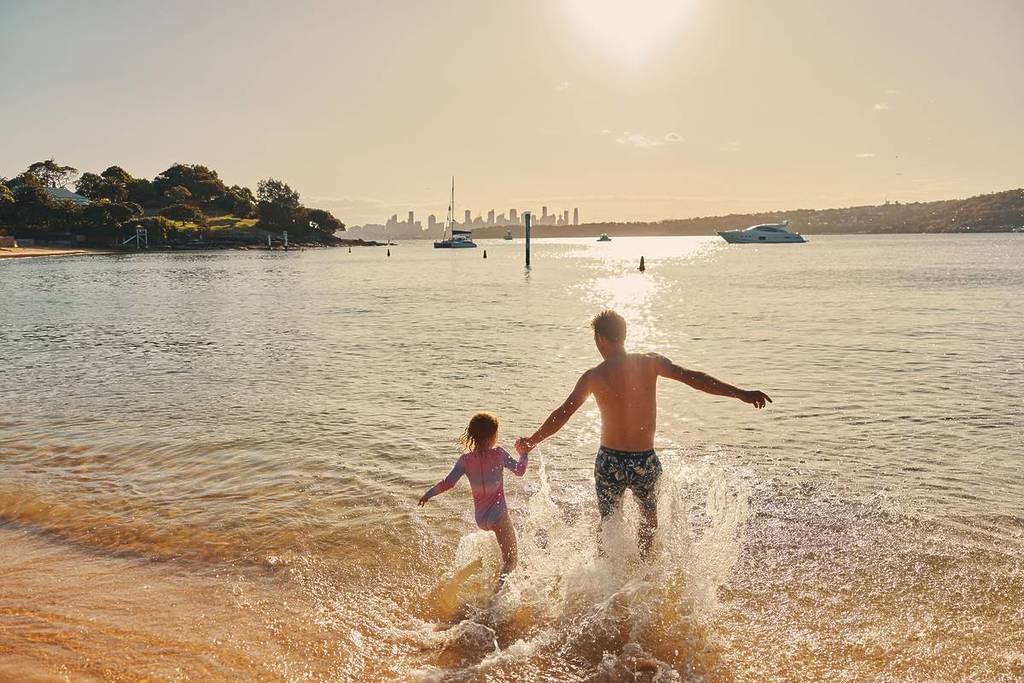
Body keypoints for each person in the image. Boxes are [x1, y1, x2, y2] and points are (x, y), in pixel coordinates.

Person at [515, 310, 771, 557]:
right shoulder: (649, 363)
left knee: (608, 523)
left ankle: (607, 583)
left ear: (601, 339)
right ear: (623, 335)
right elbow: (695, 379)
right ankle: (644, 576)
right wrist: (740, 393)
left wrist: (531, 442)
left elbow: (563, 414)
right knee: (649, 523)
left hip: (609, 461)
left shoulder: (594, 376)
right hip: (644, 461)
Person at [419, 412, 528, 583]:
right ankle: (496, 597)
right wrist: (524, 454)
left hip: (480, 518)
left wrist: (428, 494)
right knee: (511, 561)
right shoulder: (499, 454)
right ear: (494, 435)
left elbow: (448, 483)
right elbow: (520, 470)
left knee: (500, 553)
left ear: (473, 435)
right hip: (497, 516)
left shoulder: (465, 460)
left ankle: (480, 574)